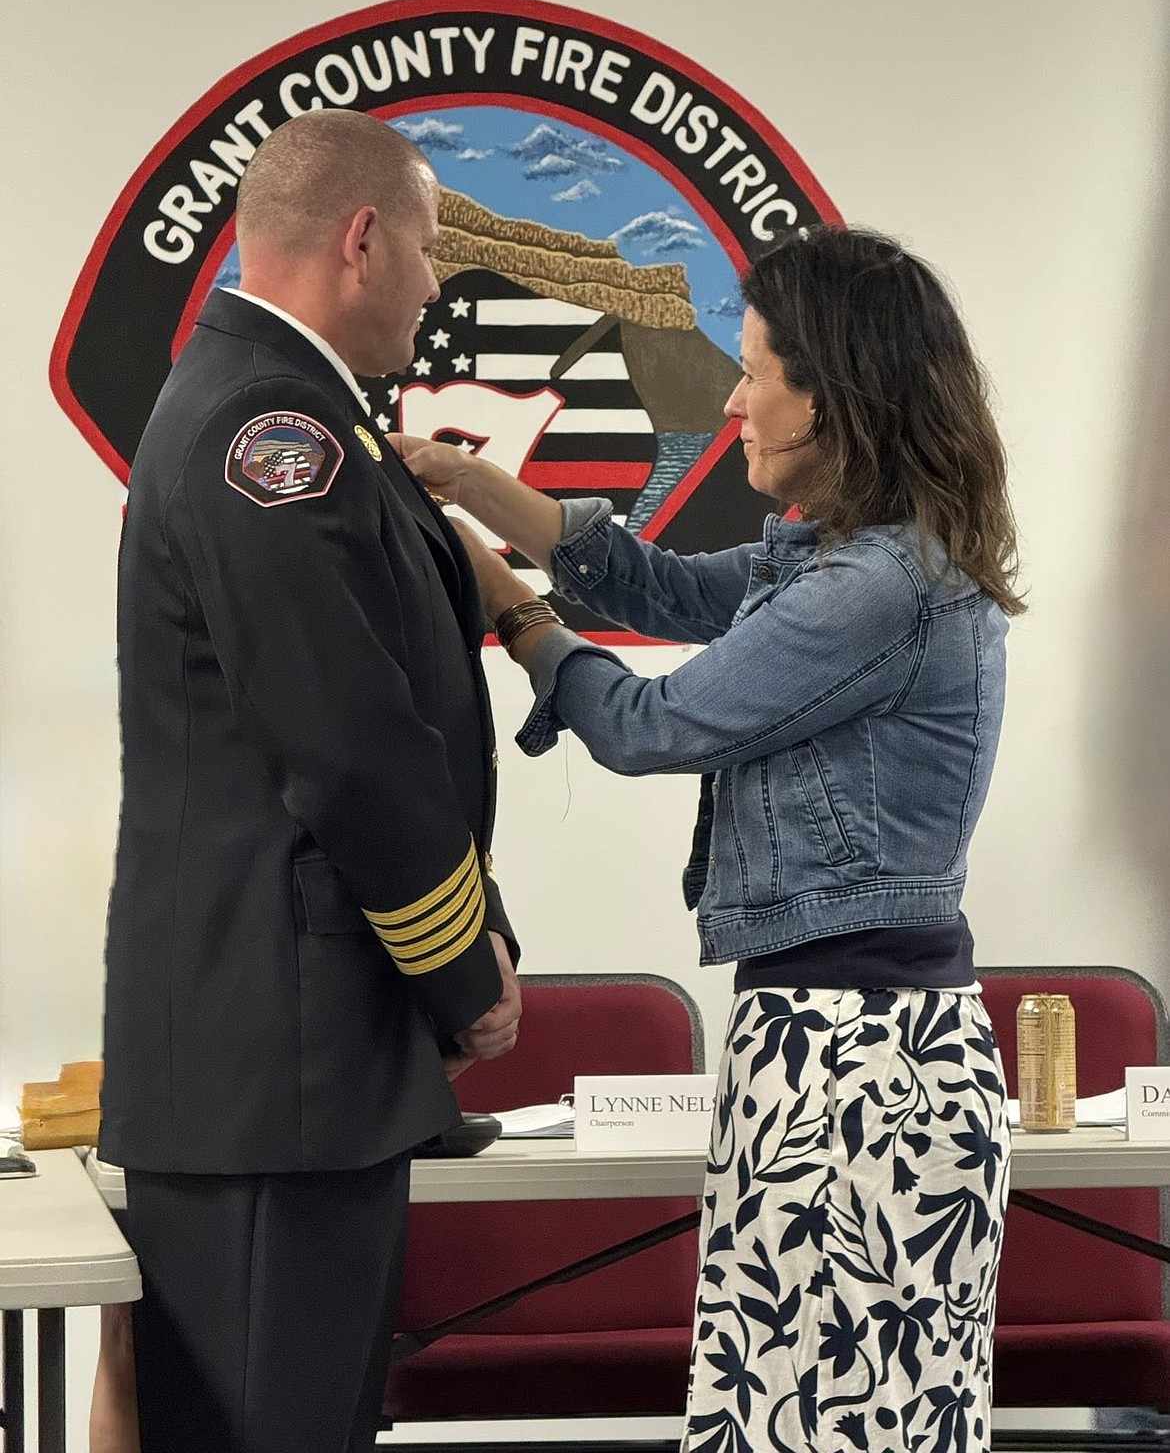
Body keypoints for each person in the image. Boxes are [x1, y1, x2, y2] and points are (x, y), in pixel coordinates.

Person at [390, 223, 1024, 1453]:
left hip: (861, 1071)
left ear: (835, 398)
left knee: (829, 1431)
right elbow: (661, 591)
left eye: (756, 372)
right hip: (833, 1044)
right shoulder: (855, 561)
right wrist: (465, 482)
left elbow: (649, 721)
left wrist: (508, 608)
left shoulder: (879, 589)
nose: (732, 400)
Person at [96, 108, 521, 1453]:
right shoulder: (269, 434)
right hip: (277, 1072)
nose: (437, 281)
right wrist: (462, 968)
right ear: (361, 238)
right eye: (430, 246)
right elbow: (347, 744)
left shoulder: (271, 411)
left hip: (285, 1066)